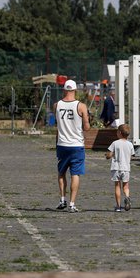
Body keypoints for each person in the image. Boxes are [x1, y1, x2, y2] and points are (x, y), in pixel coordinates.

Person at [53, 79, 90, 213]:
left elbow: (57, 125)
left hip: (62, 143)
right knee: (75, 173)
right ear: (75, 90)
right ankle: (72, 203)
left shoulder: (57, 105)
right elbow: (86, 127)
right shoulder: (81, 106)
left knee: (61, 172)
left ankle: (62, 199)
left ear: (64, 89)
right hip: (76, 144)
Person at [106, 124, 135, 212]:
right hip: (126, 168)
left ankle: (118, 206)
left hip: (116, 168)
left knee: (117, 186)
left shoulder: (115, 143)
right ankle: (127, 197)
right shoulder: (130, 144)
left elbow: (109, 155)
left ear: (119, 133)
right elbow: (131, 156)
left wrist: (109, 155)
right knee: (126, 186)